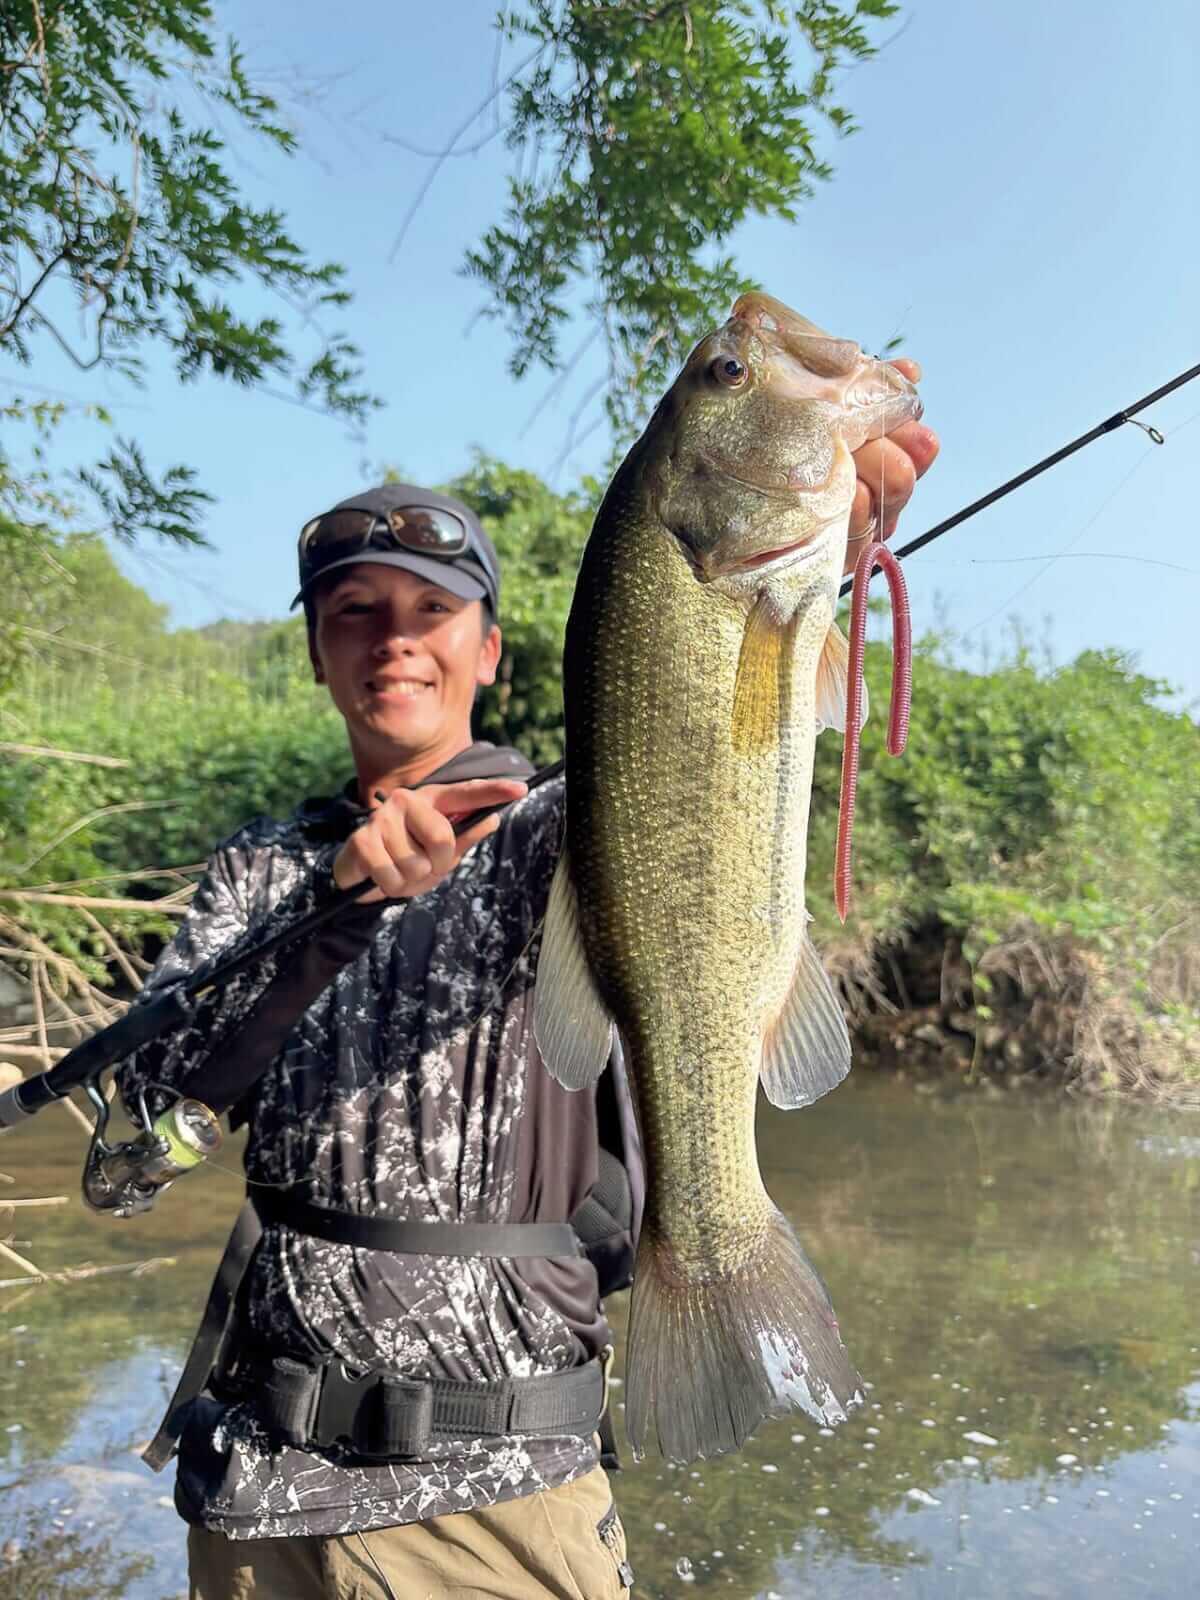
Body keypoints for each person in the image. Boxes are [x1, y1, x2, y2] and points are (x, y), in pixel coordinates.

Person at [118, 378, 938, 1600]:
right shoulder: (257, 873)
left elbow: (702, 726)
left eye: (431, 609)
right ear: (317, 650)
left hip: (500, 1495)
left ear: (488, 647)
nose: (393, 636)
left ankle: (716, 1244)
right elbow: (127, 1164)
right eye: (354, 610)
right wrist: (326, 919)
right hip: (254, 1494)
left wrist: (821, 536)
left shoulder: (557, 822)